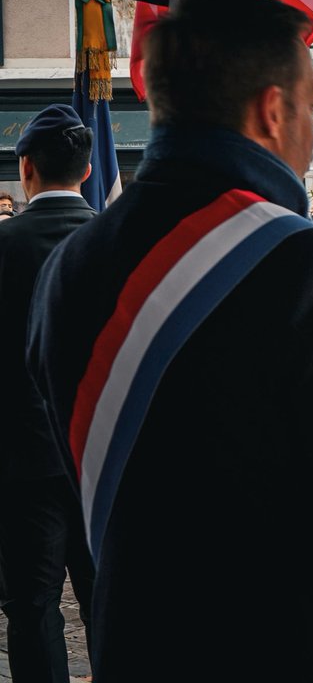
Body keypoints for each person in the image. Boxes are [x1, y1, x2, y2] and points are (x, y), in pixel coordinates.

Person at [24, 0, 313, 681]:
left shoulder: (67, 268)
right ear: (273, 111)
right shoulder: (311, 266)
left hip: (139, 647)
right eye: (312, 107)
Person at [0, 104, 97, 683]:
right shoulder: (118, 241)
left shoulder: (4, 244)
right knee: (109, 601)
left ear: (26, 167)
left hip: (22, 460)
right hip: (102, 457)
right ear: (87, 170)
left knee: (32, 608)